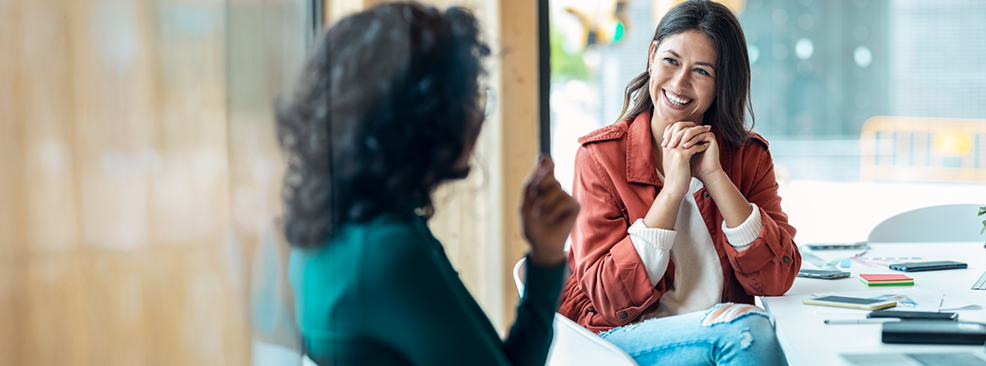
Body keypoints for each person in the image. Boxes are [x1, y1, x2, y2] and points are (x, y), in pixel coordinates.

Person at [276, 3, 580, 365]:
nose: (480, 116)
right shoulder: (388, 254)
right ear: (426, 117)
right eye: (471, 97)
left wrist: (545, 256)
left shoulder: (346, 230)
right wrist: (545, 266)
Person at [557, 1, 799, 365]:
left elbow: (776, 278)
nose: (680, 83)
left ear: (722, 83)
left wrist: (715, 177)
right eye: (671, 61)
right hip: (621, 341)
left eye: (701, 71)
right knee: (750, 333)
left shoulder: (748, 157)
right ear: (652, 55)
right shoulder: (599, 157)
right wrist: (672, 191)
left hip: (720, 336)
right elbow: (609, 298)